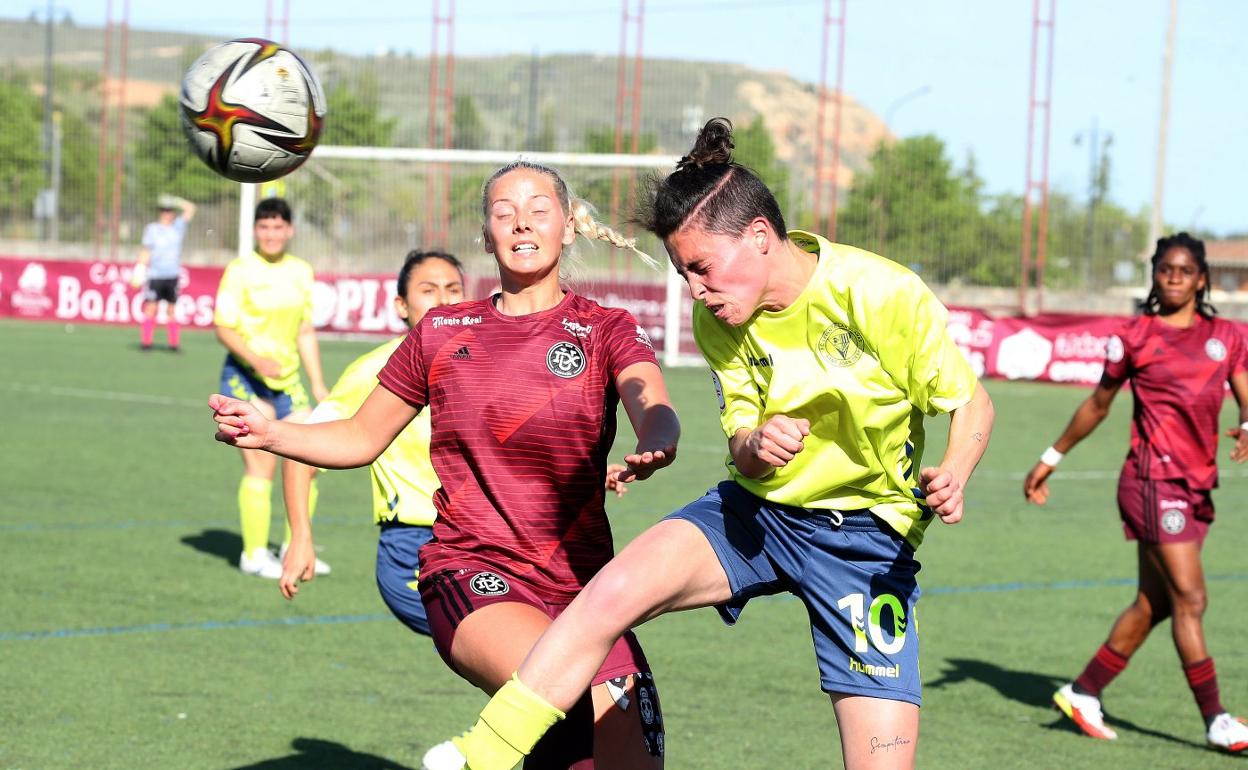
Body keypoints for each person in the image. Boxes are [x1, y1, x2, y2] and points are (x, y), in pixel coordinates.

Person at [421, 117, 996, 770]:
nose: (695, 290)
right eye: (683, 274)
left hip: (865, 541)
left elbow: (971, 402)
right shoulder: (717, 318)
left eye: (701, 268)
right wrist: (759, 444)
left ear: (758, 238)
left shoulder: (882, 294)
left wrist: (955, 468)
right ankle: (486, 756)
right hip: (760, 513)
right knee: (608, 595)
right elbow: (742, 441)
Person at [211, 160, 679, 769]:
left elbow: (652, 399)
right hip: (471, 570)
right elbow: (357, 435)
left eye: (539, 209)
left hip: (585, 589)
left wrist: (658, 436)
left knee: (621, 754)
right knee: (567, 694)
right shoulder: (442, 331)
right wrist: (273, 433)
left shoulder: (605, 327)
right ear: (487, 234)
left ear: (568, 227)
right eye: (504, 211)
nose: (521, 222)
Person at [1024, 232, 1248, 754]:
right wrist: (1049, 458)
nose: (1173, 277)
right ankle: (1217, 720)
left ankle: (1083, 693)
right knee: (1191, 597)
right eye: (1164, 269)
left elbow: (1244, 391)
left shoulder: (1228, 336)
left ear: (1202, 278)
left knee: (1156, 603)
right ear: (1154, 274)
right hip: (1151, 482)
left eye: (1184, 271)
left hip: (1196, 485)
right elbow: (1098, 405)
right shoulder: (1135, 335)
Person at [279, 249, 466, 638]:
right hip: (414, 551)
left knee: (544, 657)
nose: (444, 301)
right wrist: (300, 538)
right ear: (401, 305)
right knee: (528, 656)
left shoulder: (489, 363)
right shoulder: (375, 370)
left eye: (454, 289)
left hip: (487, 541)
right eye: (428, 290)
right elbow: (301, 452)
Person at [214, 196, 329, 580]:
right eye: (264, 227)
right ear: (255, 231)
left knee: (307, 462)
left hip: (288, 382)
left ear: (290, 230)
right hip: (246, 379)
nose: (271, 233)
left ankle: (296, 546)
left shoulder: (301, 271)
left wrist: (318, 385)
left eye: (278, 226)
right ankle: (253, 553)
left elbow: (304, 330)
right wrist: (256, 360)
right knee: (260, 464)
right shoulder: (240, 270)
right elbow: (224, 327)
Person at [134, 194, 196, 352]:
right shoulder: (152, 229)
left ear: (173, 213)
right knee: (151, 308)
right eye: (164, 210)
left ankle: (174, 344)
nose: (166, 213)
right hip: (155, 275)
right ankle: (146, 343)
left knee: (171, 310)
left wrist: (175, 200)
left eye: (169, 210)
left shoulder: (178, 227)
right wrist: (140, 268)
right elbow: (146, 251)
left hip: (172, 275)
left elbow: (191, 208)